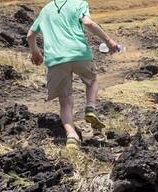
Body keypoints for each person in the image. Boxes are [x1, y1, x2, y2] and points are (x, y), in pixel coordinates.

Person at [27, 0, 120, 149]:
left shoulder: (45, 10)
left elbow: (30, 35)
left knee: (65, 100)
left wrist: (35, 52)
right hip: (79, 54)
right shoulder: (79, 3)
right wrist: (109, 41)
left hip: (56, 59)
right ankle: (90, 107)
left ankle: (71, 136)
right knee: (91, 81)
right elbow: (88, 23)